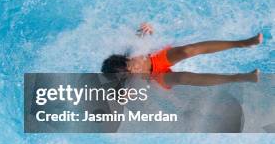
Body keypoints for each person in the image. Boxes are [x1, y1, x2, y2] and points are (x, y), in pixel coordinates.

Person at [101, 23, 262, 88]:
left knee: (188, 50)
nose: (134, 70)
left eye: (130, 66)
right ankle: (240, 77)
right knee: (182, 78)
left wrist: (146, 27)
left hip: (156, 59)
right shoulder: (125, 83)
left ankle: (243, 43)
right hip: (157, 76)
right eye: (129, 74)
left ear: (127, 59)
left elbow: (140, 33)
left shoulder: (131, 52)